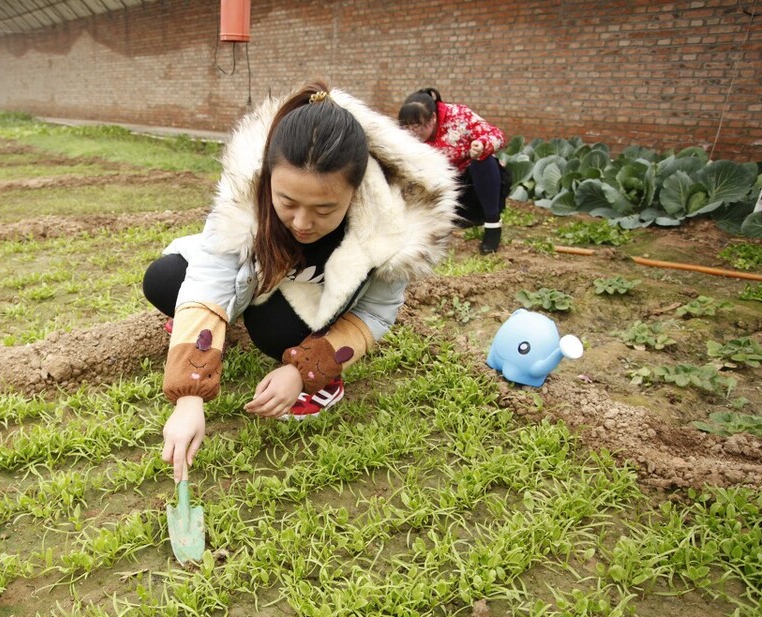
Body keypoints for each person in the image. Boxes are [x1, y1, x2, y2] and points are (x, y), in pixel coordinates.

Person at [143, 79, 457, 481]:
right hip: (261, 282)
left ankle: (322, 380)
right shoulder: (244, 197)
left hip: (309, 303)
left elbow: (376, 314)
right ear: (267, 179)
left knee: (274, 330)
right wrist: (189, 393)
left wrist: (303, 370)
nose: (302, 223)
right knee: (164, 279)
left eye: (324, 210)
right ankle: (212, 329)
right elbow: (210, 277)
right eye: (287, 202)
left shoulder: (393, 229)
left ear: (356, 192)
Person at [398, 88, 509, 254]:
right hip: (442, 190)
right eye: (407, 127)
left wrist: (481, 145)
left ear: (433, 118)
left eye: (418, 126)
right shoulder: (406, 135)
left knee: (483, 157)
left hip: (473, 186)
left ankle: (492, 225)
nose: (413, 133)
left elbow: (497, 135)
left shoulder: (459, 116)